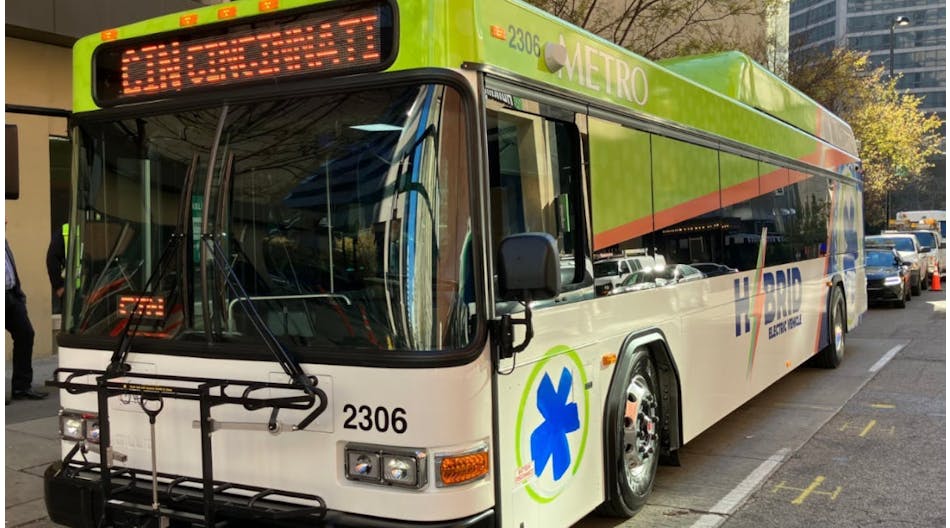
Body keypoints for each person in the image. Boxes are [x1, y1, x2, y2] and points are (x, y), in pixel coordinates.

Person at [6, 233, 48, 401]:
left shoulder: (4, 241)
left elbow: (11, 270)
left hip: (11, 295)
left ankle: (21, 387)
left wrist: (19, 296)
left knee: (25, 334)